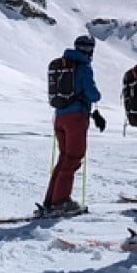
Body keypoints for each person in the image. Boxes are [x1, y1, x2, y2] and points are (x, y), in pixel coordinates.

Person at [41, 35, 105, 216]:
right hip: (76, 117)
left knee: (64, 159)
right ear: (90, 50)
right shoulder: (83, 67)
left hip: (60, 116)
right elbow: (93, 94)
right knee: (73, 158)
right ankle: (60, 202)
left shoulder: (63, 64)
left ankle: (51, 200)